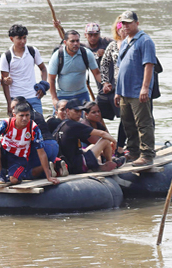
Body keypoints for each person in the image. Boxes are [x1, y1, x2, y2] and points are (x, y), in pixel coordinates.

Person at [114, 10, 156, 166]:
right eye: (123, 23)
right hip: (124, 90)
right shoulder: (125, 41)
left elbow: (149, 65)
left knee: (143, 123)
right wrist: (118, 91)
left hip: (137, 90)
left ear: (136, 23)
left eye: (129, 23)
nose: (126, 26)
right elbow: (120, 68)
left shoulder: (145, 41)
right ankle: (133, 151)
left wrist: (145, 88)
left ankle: (147, 154)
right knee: (127, 123)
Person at [0, 101, 59, 185]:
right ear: (14, 115)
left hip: (19, 158)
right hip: (4, 153)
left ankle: (11, 175)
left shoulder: (33, 127)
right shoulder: (6, 123)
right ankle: (1, 174)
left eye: (27, 115)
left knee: (14, 180)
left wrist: (48, 177)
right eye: (21, 115)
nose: (24, 118)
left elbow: (41, 152)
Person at [53, 101, 122, 174]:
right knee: (105, 141)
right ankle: (110, 162)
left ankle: (100, 165)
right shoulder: (74, 125)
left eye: (80, 111)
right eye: (76, 111)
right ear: (67, 111)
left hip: (67, 163)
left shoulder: (61, 125)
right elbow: (102, 134)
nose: (79, 114)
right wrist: (114, 142)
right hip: (78, 165)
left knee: (92, 146)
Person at [0, 24, 48, 116]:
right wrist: (9, 103)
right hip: (16, 99)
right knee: (18, 128)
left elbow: (43, 69)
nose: (23, 41)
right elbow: (4, 82)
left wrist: (43, 84)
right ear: (11, 39)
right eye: (19, 38)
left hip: (34, 96)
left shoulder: (32, 51)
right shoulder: (6, 56)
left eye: (24, 38)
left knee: (39, 125)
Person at [48, 30, 101, 109]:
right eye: (72, 41)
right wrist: (54, 99)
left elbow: (97, 74)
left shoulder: (86, 54)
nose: (75, 43)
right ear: (65, 43)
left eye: (77, 41)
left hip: (82, 95)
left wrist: (106, 83)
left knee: (84, 120)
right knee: (61, 120)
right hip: (63, 96)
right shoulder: (58, 56)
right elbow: (51, 79)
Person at [11, 96, 61, 171]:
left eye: (15, 107)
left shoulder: (24, 118)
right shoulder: (37, 114)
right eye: (12, 107)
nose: (13, 110)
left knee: (27, 171)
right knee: (41, 171)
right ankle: (56, 167)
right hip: (54, 146)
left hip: (43, 147)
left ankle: (49, 167)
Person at [99, 18, 126, 154]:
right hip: (117, 86)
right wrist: (105, 82)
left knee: (129, 118)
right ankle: (116, 145)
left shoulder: (135, 44)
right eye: (120, 28)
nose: (123, 31)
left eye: (125, 27)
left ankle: (123, 146)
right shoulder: (113, 45)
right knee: (123, 116)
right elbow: (104, 64)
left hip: (132, 86)